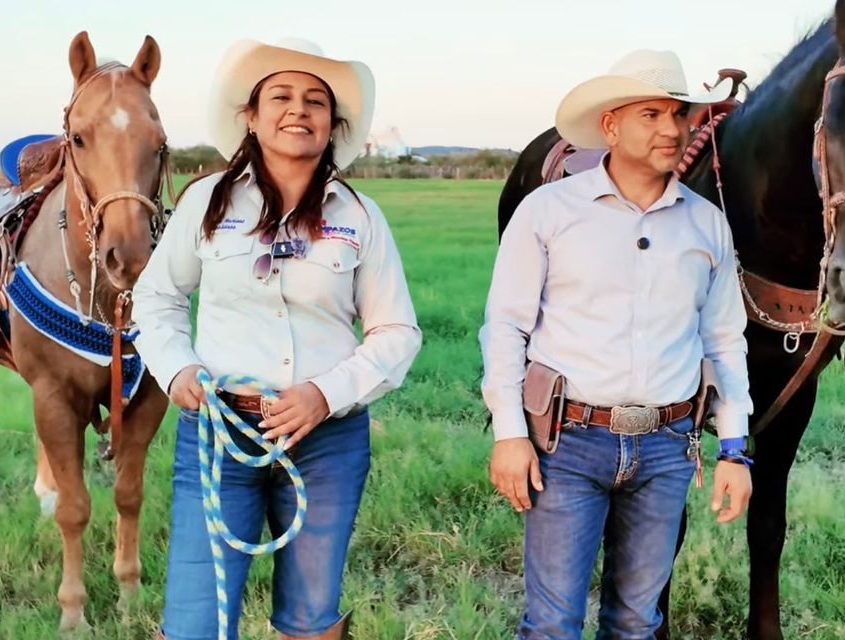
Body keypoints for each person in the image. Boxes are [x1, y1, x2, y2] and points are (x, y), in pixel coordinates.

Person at [132, 37, 422, 640]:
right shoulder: (206, 203)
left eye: (316, 101)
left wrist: (323, 394)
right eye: (282, 97)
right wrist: (178, 370)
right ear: (252, 117)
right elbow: (157, 298)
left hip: (327, 441)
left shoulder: (359, 216)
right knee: (195, 622)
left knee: (310, 619)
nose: (299, 110)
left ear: (332, 124)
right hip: (219, 432)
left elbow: (397, 332)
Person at [479, 49, 754, 639]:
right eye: (651, 114)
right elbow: (505, 326)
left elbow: (725, 341)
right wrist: (508, 434)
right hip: (568, 445)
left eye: (679, 115)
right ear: (611, 126)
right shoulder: (548, 212)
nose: (672, 129)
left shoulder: (707, 223)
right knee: (552, 623)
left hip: (667, 448)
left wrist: (734, 450)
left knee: (636, 622)